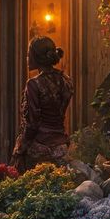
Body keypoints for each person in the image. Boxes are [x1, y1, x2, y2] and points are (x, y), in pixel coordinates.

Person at [14, 37, 74, 170]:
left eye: (29, 55)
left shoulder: (33, 84)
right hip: (61, 146)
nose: (27, 58)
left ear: (36, 57)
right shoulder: (66, 80)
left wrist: (20, 149)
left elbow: (32, 124)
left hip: (40, 147)